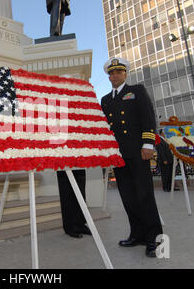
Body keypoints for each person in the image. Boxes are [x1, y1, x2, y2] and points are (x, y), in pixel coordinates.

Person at [101, 57, 163, 258]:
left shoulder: (136, 91)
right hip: (119, 155)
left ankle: (154, 239)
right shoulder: (105, 100)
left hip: (137, 152)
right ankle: (137, 234)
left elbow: (148, 117)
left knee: (144, 195)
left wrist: (148, 144)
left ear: (125, 73)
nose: (115, 75)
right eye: (111, 73)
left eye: (118, 72)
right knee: (127, 197)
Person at [56, 169, 91, 238]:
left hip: (78, 160)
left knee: (81, 191)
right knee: (67, 192)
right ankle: (69, 227)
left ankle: (80, 224)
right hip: (63, 160)